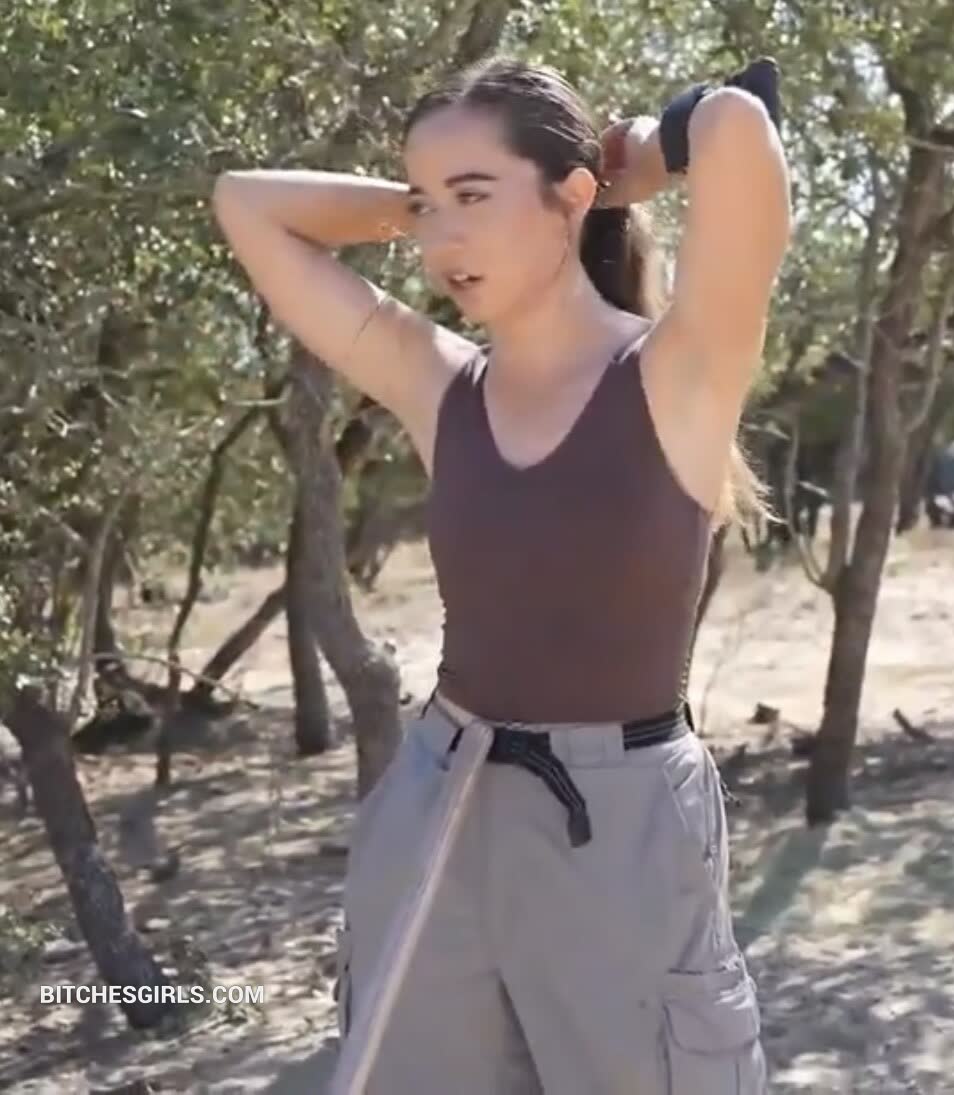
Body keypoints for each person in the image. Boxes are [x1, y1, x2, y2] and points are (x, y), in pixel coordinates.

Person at [214, 52, 790, 1095]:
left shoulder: (676, 371)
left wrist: (633, 161)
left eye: (474, 198)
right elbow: (246, 205)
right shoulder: (441, 384)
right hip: (442, 791)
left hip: (618, 821)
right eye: (427, 208)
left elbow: (739, 128)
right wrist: (429, 205)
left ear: (569, 196)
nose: (443, 241)